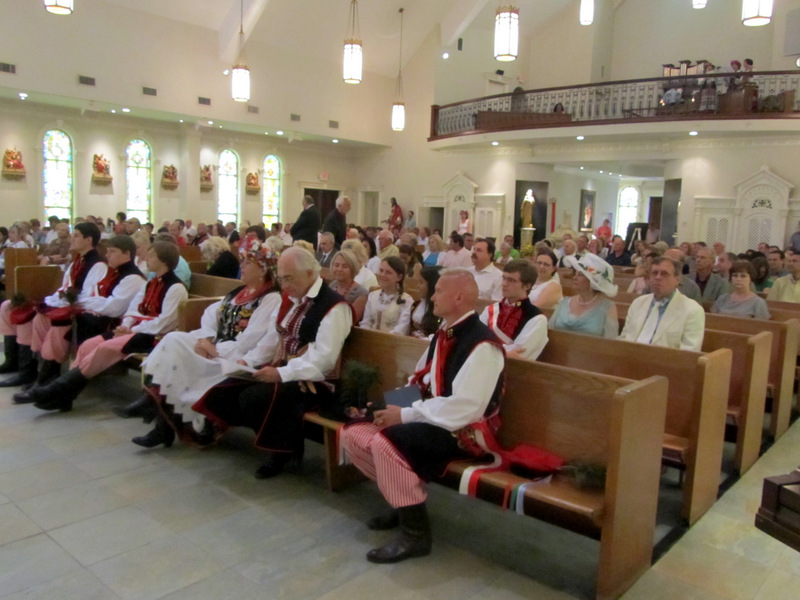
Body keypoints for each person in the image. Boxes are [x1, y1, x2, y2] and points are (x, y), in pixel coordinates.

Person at [340, 269, 504, 564]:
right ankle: (400, 500)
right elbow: (422, 381)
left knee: (387, 442)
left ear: (459, 298)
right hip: (433, 416)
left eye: (439, 290)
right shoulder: (445, 332)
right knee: (355, 429)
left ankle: (416, 535)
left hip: (463, 431)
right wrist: (386, 406)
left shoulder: (482, 345)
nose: (431, 295)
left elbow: (467, 407)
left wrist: (404, 415)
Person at [193, 247, 354, 478]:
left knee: (254, 397)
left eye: (289, 278)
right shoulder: (290, 299)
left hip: (314, 380)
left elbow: (324, 360)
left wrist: (281, 374)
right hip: (282, 367)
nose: (284, 285)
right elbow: (272, 340)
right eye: (281, 278)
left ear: (310, 273)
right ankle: (272, 439)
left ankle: (282, 451)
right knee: (225, 389)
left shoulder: (334, 306)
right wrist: (246, 362)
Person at [123, 246, 283, 446]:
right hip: (215, 346)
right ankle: (153, 404)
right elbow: (211, 314)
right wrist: (206, 339)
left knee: (182, 364)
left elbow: (250, 339)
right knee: (173, 339)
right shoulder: (239, 292)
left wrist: (215, 349)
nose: (241, 266)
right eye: (241, 261)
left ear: (262, 270)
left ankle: (160, 422)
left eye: (247, 263)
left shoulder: (271, 298)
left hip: (238, 357)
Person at [25, 241, 189, 412]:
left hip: (152, 336)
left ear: (163, 260)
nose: (146, 258)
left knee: (104, 348)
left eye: (151, 255)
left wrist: (132, 329)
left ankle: (57, 391)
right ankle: (64, 396)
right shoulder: (151, 283)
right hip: (134, 331)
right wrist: (126, 325)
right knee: (88, 345)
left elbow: (165, 322)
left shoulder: (176, 288)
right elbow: (134, 308)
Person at [12, 235, 147, 404]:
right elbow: (96, 297)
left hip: (109, 323)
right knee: (45, 317)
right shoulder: (113, 272)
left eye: (112, 252)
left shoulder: (132, 278)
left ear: (127, 254)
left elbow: (113, 308)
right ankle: (40, 376)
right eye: (107, 251)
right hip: (95, 316)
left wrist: (85, 302)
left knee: (62, 324)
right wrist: (89, 302)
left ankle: (51, 384)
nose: (107, 255)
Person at [0, 222, 108, 387]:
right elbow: (64, 288)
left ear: (88, 240)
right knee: (11, 307)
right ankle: (16, 364)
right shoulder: (77, 261)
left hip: (79, 309)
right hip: (66, 303)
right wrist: (52, 299)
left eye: (76, 235)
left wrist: (57, 301)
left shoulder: (97, 264)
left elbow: (87, 295)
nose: (72, 238)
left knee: (36, 316)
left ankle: (35, 372)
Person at [619, 256, 705, 351]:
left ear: (677, 280)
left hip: (665, 359)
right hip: (629, 356)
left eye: (664, 274)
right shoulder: (638, 303)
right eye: (654, 273)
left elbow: (689, 351)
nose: (658, 277)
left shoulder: (692, 310)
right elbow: (624, 337)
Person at [480, 259, 547, 359]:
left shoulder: (537, 319)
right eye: (504, 278)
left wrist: (487, 348)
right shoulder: (491, 309)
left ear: (527, 286)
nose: (504, 284)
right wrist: (503, 352)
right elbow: (475, 341)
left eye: (511, 280)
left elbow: (519, 354)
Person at [549, 254, 620, 338]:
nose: (574, 278)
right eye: (575, 274)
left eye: (580, 275)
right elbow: (549, 330)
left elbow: (611, 341)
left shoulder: (607, 307)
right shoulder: (564, 302)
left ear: (592, 281)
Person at [360, 256, 413, 335]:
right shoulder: (372, 295)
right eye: (381, 270)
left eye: (388, 272)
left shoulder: (406, 300)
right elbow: (366, 322)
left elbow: (401, 329)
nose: (382, 275)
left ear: (399, 277)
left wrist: (382, 338)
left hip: (393, 341)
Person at [329, 250, 369, 322]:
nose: (339, 269)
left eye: (344, 266)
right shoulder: (332, 286)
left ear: (352, 269)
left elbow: (350, 320)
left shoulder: (361, 293)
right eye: (336, 265)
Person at [409, 267, 442, 338]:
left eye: (421, 282)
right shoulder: (416, 304)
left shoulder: (440, 311)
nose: (417, 286)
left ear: (431, 285)